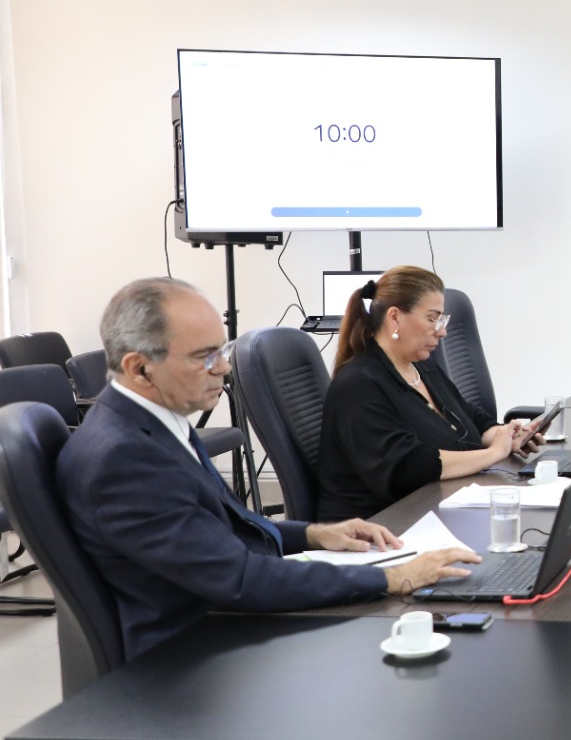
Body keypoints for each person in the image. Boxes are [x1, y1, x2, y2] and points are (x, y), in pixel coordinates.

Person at [57, 278, 480, 660]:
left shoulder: (149, 423)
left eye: (222, 351)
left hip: (224, 617)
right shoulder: (125, 459)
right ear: (139, 368)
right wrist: (391, 578)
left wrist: (313, 534)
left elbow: (222, 526)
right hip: (192, 656)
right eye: (205, 357)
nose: (224, 368)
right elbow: (240, 579)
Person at [318, 266, 541, 521]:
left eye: (441, 319)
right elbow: (407, 467)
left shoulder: (420, 367)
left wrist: (503, 435)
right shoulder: (359, 385)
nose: (442, 331)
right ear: (395, 318)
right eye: (432, 318)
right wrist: (493, 454)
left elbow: (469, 417)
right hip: (376, 526)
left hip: (429, 507)